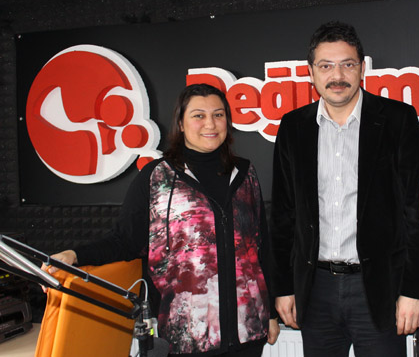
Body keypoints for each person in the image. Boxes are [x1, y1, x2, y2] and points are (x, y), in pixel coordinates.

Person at [47, 84, 279, 357]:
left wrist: (271, 313)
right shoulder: (157, 177)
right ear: (180, 123)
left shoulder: (245, 173)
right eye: (198, 115)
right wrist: (75, 255)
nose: (210, 123)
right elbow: (124, 241)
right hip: (187, 338)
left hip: (248, 331)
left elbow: (261, 248)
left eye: (218, 115)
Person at [270, 21, 419, 357]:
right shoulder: (293, 127)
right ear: (310, 73)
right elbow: (283, 215)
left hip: (378, 289)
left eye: (347, 64)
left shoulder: (397, 120)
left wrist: (414, 289)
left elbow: (417, 212)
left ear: (362, 68)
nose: (337, 75)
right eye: (326, 66)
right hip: (315, 289)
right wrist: (284, 287)